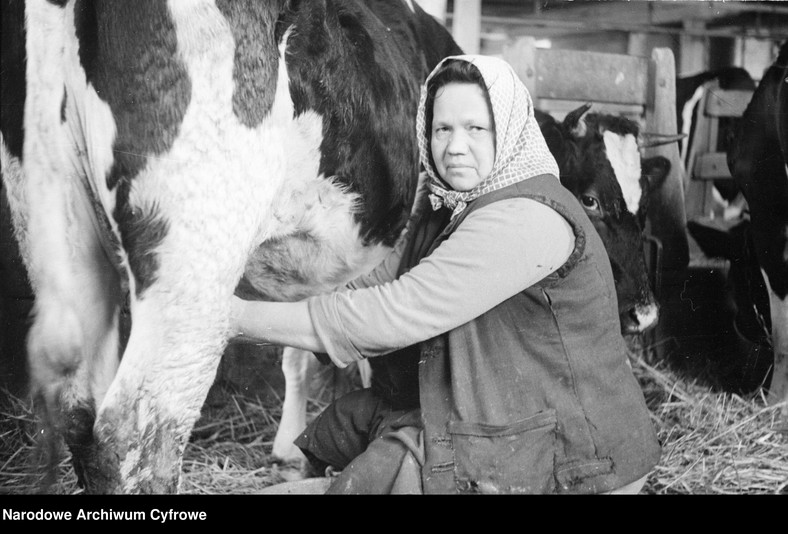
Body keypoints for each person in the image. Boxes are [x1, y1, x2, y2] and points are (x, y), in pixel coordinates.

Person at [232, 55, 661, 494]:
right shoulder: (448, 203)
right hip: (498, 418)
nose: (454, 146)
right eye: (442, 129)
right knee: (347, 436)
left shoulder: (527, 215)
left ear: (509, 128)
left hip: (574, 457)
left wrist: (230, 318)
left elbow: (395, 312)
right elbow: (369, 286)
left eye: (476, 128)